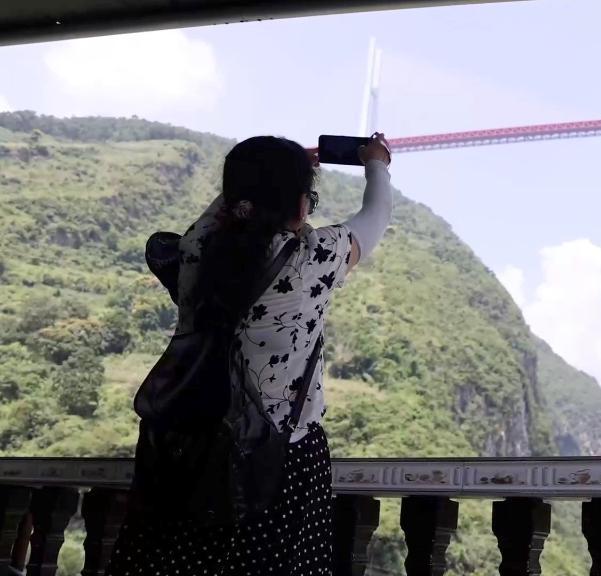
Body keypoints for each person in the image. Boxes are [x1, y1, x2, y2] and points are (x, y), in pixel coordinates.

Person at [107, 133, 393, 575]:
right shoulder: (314, 258)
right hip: (278, 460)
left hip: (184, 449)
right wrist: (377, 163)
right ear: (301, 205)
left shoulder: (196, 248)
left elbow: (229, 208)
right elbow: (375, 217)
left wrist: (270, 173)